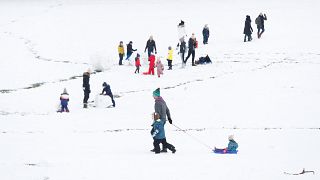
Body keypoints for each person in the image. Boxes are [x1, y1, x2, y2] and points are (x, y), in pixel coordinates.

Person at [152, 88, 172, 152]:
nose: (153, 96)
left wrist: (155, 122)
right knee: (161, 133)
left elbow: (157, 114)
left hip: (159, 121)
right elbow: (167, 110)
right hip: (163, 120)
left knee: (153, 132)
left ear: (156, 95)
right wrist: (169, 118)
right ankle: (164, 148)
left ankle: (156, 147)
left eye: (153, 95)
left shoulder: (157, 103)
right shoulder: (163, 101)